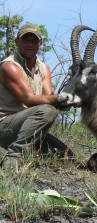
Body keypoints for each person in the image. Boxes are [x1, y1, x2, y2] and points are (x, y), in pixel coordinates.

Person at [0, 22, 72, 169]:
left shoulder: (44, 68)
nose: (30, 44)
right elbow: (29, 99)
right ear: (17, 41)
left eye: (34, 40)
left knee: (68, 157)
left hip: (29, 128)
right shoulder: (9, 66)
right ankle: (14, 157)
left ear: (40, 43)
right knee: (48, 110)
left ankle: (31, 150)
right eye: (25, 39)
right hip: (5, 126)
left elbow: (48, 96)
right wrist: (61, 98)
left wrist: (71, 99)